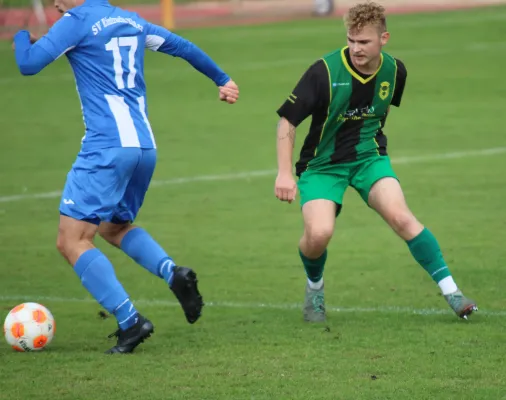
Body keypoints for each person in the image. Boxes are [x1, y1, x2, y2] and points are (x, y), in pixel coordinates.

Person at [12, 0, 239, 353]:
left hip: (107, 148)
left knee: (71, 240)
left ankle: (129, 320)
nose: (55, 4)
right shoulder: (130, 20)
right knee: (112, 228)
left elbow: (27, 64)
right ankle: (172, 273)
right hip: (144, 147)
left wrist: (21, 35)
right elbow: (182, 46)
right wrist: (222, 79)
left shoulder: (76, 21)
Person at [274, 1, 476, 323]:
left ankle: (453, 293)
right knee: (319, 234)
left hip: (368, 158)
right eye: (351, 41)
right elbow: (287, 121)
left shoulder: (395, 72)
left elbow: (376, 115)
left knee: (403, 218)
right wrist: (284, 173)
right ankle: (315, 287)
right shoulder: (323, 72)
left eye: (364, 42)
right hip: (321, 166)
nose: (355, 48)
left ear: (384, 38)